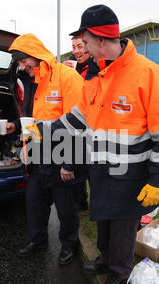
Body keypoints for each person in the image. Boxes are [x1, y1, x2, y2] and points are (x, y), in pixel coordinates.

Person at [50, 5, 159, 284]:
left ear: (101, 39)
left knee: (123, 226)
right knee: (105, 219)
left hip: (131, 172)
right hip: (102, 168)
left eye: (85, 43)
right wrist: (45, 131)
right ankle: (107, 259)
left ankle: (120, 272)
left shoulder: (148, 73)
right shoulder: (97, 74)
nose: (83, 50)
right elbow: (80, 116)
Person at [6, 33, 84, 266]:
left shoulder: (67, 77)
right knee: (35, 203)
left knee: (66, 208)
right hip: (38, 158)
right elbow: (31, 122)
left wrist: (70, 163)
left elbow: (79, 123)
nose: (21, 66)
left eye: (22, 61)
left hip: (63, 158)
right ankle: (37, 240)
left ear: (34, 56)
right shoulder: (30, 83)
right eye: (18, 63)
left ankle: (69, 245)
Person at [64, 36, 93, 211]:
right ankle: (82, 202)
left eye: (80, 46)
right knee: (78, 165)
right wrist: (66, 74)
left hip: (93, 125)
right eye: (74, 47)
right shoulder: (70, 65)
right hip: (74, 121)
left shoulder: (96, 67)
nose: (76, 51)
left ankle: (93, 203)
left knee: (92, 167)